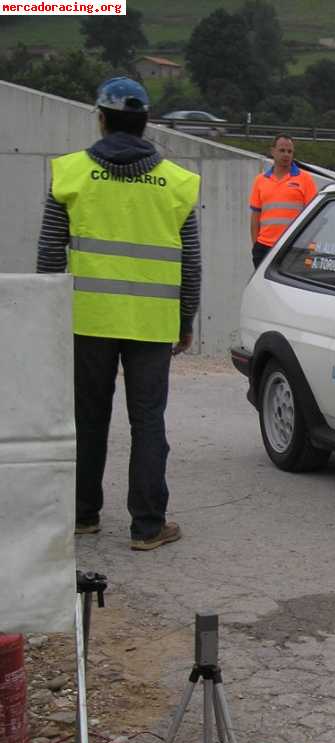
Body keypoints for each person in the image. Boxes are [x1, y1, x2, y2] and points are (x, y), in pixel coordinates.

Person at [36, 76, 201, 551]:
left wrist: (49, 319)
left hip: (89, 320)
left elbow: (49, 253)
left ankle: (83, 515)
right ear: (146, 124)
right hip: (151, 324)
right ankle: (148, 527)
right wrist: (185, 318)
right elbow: (191, 261)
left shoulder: (70, 173)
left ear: (102, 119)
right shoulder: (176, 183)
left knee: (89, 418)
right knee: (148, 421)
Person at [249, 134, 318, 270]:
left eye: (290, 151)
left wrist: (306, 246)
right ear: (272, 151)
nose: (286, 154)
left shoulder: (305, 180)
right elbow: (255, 216)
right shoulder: (260, 180)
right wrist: (255, 245)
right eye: (282, 150)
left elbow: (313, 217)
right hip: (264, 247)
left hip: (293, 248)